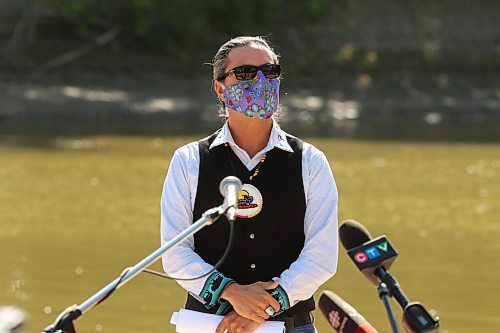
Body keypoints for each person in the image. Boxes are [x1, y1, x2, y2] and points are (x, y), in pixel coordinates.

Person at [161, 36, 338, 333]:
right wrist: (231, 294)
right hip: (209, 325)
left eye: (270, 72)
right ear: (220, 87)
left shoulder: (311, 161)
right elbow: (175, 253)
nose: (260, 81)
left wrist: (261, 310)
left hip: (292, 325)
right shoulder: (188, 160)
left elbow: (321, 257)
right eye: (245, 73)